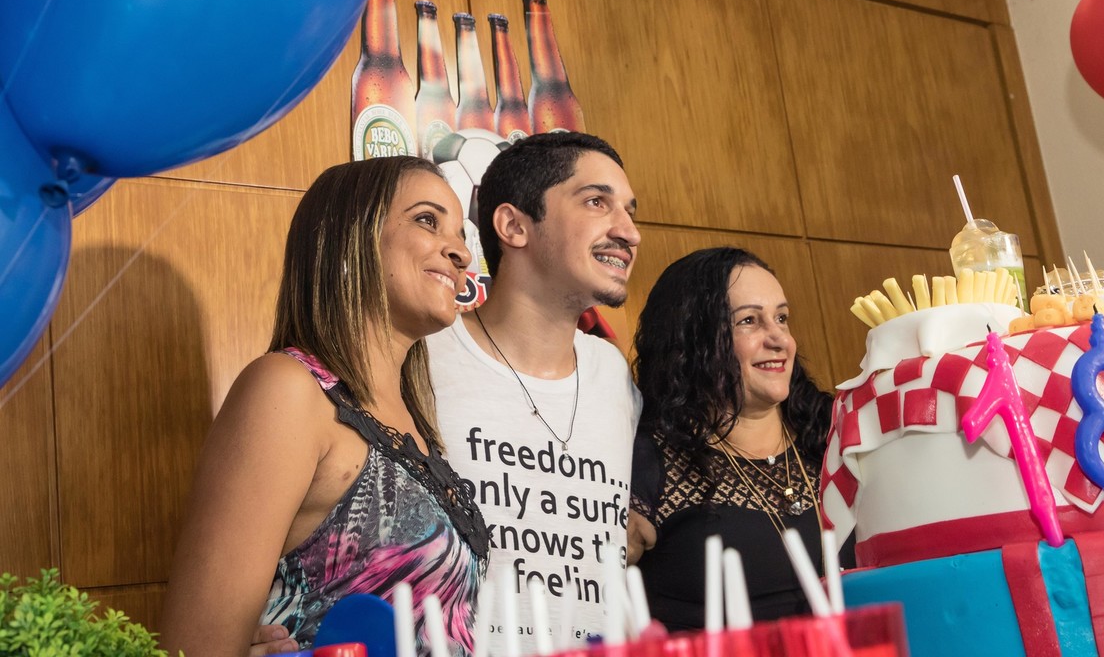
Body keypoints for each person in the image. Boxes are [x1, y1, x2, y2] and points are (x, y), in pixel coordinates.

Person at [160, 157, 489, 657]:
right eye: (427, 220)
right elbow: (195, 645)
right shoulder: (287, 391)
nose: (461, 252)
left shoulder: (416, 421)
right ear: (349, 239)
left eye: (461, 232)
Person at [428, 131, 642, 652]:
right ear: (514, 225)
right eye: (597, 202)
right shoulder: (425, 358)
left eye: (632, 211)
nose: (630, 232)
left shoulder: (614, 374)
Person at [627, 247, 853, 630]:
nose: (779, 338)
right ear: (691, 339)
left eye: (782, 318)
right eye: (749, 321)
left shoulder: (836, 437)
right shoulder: (646, 460)